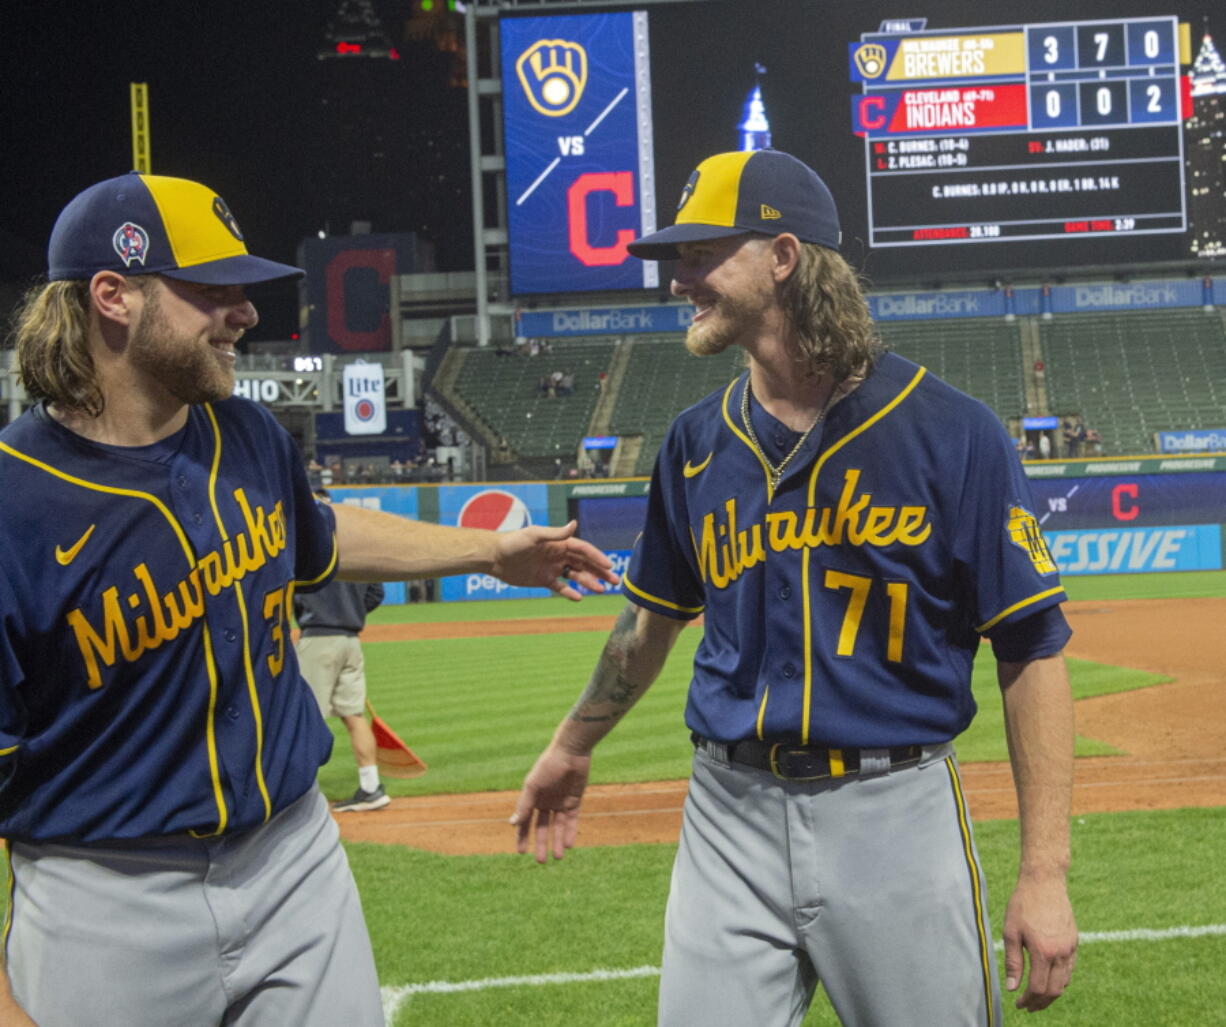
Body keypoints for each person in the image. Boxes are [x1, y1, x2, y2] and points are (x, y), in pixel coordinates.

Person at [0, 170, 617, 1027]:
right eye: (212, 290)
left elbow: (318, 535)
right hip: (106, 895)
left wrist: (490, 548)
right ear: (113, 296)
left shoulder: (246, 435)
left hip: (293, 858)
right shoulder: (14, 502)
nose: (245, 314)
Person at [512, 150, 1077, 1026]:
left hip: (892, 811)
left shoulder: (952, 434)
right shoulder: (694, 442)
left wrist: (1044, 872)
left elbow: (1032, 647)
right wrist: (572, 742)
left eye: (701, 254)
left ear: (782, 256)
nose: (679, 280)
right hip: (725, 814)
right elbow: (650, 620)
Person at [294, 488, 390, 812]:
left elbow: (286, 588)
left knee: (307, 717)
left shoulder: (301, 545)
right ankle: (371, 786)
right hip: (351, 640)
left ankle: (302, 797)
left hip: (319, 638)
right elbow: (376, 591)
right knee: (354, 715)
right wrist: (352, 612)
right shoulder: (349, 547)